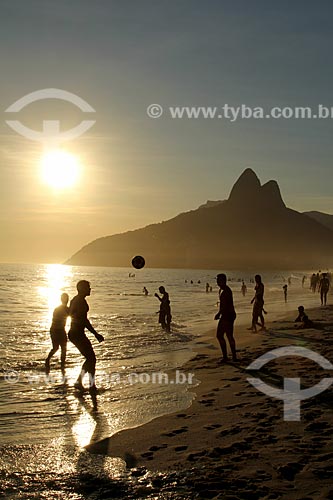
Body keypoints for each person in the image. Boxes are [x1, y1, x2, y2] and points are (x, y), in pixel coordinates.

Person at [68, 280, 104, 392]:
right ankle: (90, 385)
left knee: (90, 358)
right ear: (82, 289)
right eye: (88, 287)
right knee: (91, 358)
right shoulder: (80, 302)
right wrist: (95, 334)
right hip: (77, 334)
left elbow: (71, 314)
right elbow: (84, 320)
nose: (90, 289)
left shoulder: (75, 300)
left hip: (75, 333)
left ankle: (82, 382)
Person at [214, 273, 237, 362]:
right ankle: (233, 356)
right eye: (217, 280)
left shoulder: (226, 291)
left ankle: (226, 357)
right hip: (229, 315)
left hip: (227, 315)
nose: (217, 282)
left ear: (223, 281)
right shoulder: (223, 290)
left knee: (220, 335)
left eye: (218, 280)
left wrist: (219, 314)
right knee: (229, 335)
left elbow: (225, 306)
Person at [45, 293, 69, 374]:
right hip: (58, 330)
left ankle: (60, 364)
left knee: (59, 348)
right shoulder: (65, 309)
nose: (67, 300)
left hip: (56, 330)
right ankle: (59, 363)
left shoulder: (58, 308)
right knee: (60, 348)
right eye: (66, 299)